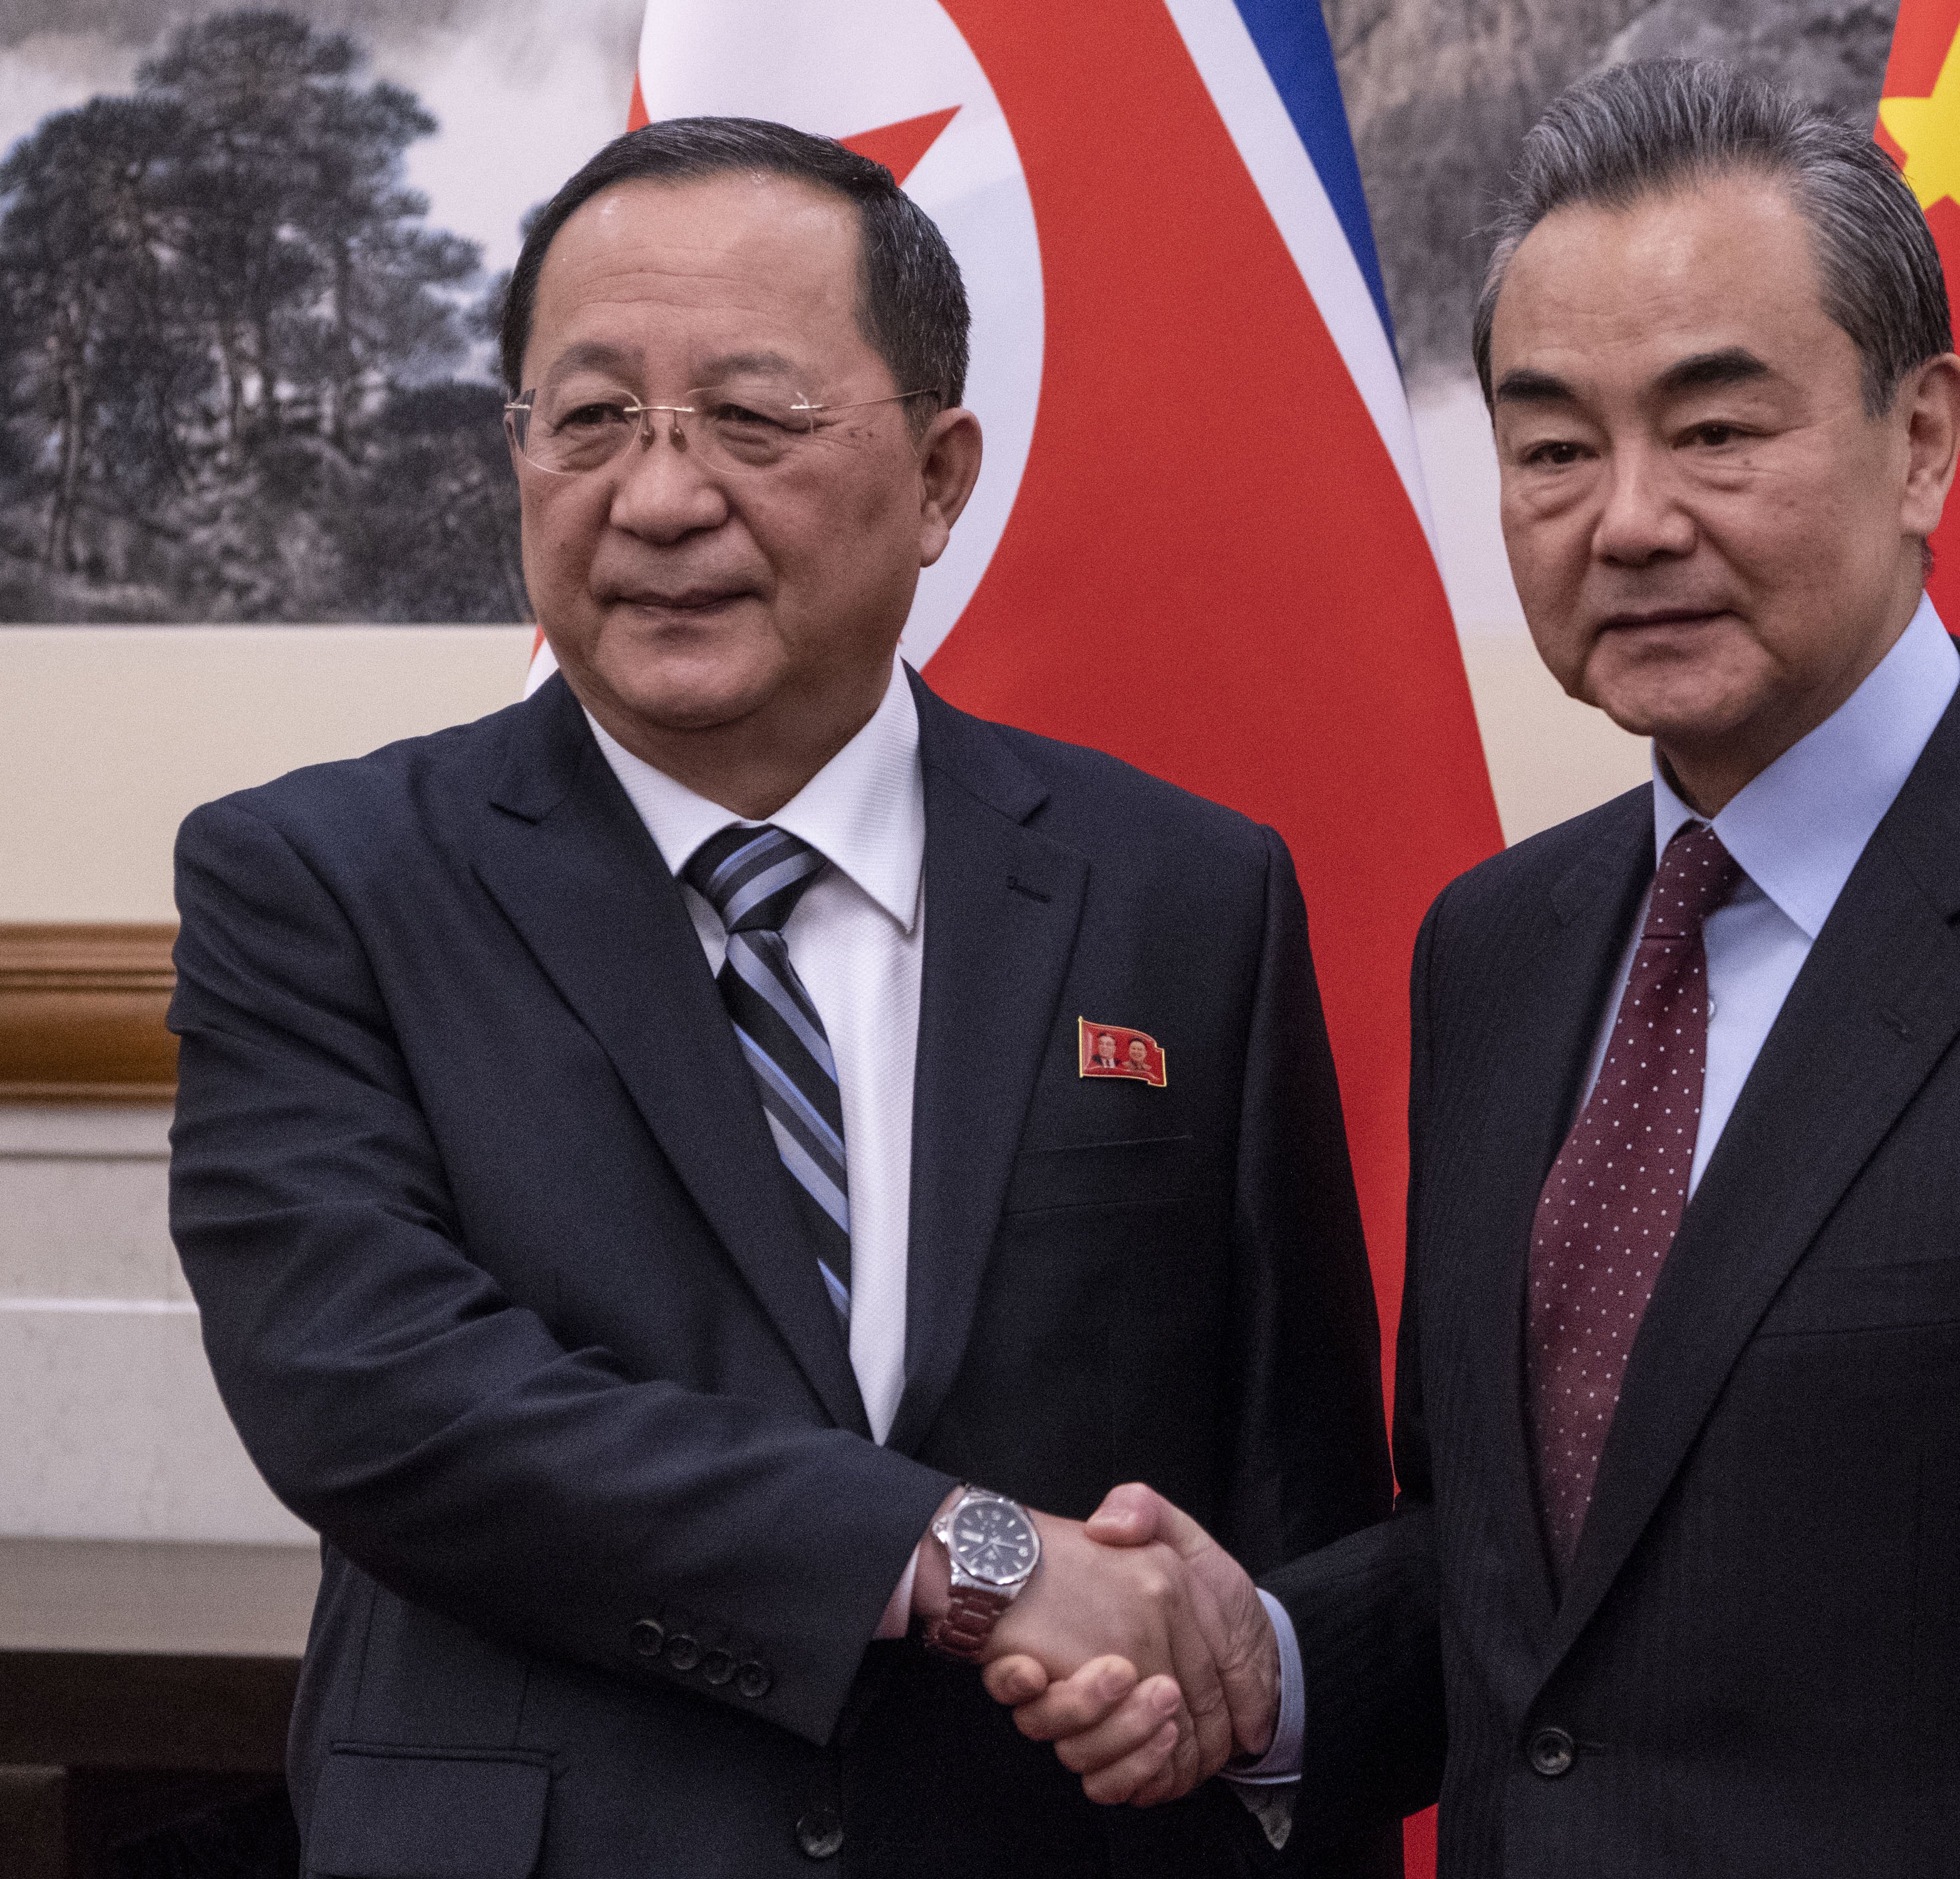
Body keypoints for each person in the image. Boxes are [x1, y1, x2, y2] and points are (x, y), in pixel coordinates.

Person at [1004, 62, 1960, 1876]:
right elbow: (1535, 1587)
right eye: (1549, 448)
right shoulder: (1501, 949)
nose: (1625, 521)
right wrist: (1266, 1662)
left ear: (1919, 438)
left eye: (1713, 432)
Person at [167, 117, 1394, 1877]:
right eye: (588, 420)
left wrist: (1226, 1682)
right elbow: (379, 1396)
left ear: (941, 475)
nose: (659, 497)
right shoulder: (323, 883)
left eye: (751, 419)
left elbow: (1290, 1511)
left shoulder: (1183, 896)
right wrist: (970, 1555)